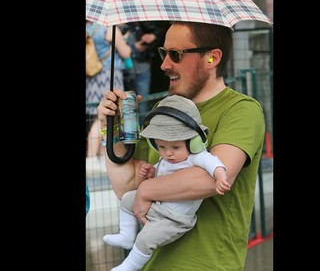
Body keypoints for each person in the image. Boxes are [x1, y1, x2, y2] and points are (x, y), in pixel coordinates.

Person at [97, 21, 265, 270]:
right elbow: (128, 187)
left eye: (176, 55)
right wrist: (108, 129)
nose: (164, 65)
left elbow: (212, 179)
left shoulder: (241, 110)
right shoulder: (162, 110)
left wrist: (147, 191)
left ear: (212, 58)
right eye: (164, 53)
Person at [103, 95, 230, 271]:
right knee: (126, 199)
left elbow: (213, 163)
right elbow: (161, 172)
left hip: (175, 219)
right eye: (161, 147)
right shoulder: (168, 159)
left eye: (175, 147)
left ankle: (128, 267)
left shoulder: (196, 157)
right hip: (157, 205)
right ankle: (126, 235)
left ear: (194, 142)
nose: (168, 153)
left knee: (146, 238)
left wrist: (221, 175)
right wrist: (151, 172)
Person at [86, 21, 132, 174]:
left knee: (98, 116)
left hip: (93, 75)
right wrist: (125, 39)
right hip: (108, 76)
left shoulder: (89, 28)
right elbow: (126, 52)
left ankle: (99, 156)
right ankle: (92, 157)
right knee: (102, 118)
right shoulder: (110, 29)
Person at [121, 22, 165, 123]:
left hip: (141, 66)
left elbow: (157, 31)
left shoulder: (140, 21)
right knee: (125, 105)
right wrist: (134, 47)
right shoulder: (113, 27)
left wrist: (152, 36)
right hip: (122, 70)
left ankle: (143, 130)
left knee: (143, 103)